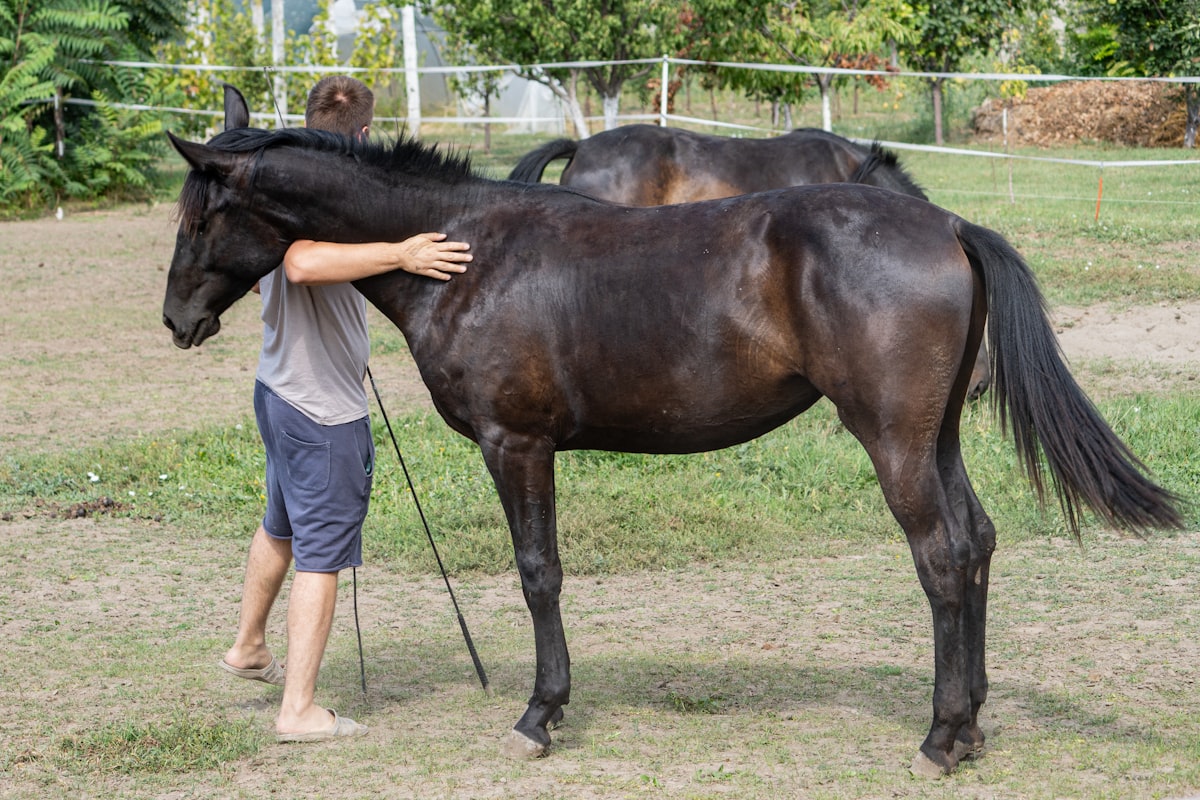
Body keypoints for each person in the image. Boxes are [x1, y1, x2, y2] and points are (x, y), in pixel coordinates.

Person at [217, 75, 472, 742]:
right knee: (322, 556)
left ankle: (248, 647)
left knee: (280, 524)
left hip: (276, 390)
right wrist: (402, 252)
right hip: (321, 411)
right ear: (363, 135)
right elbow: (300, 263)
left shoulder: (287, 184)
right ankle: (298, 711)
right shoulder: (319, 201)